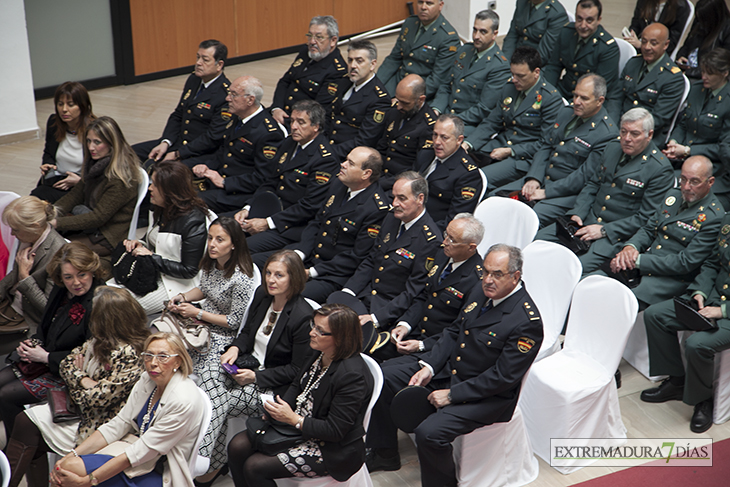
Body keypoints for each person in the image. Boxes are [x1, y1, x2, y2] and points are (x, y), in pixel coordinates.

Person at [366, 245, 543, 487]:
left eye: (497, 274)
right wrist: (429, 367)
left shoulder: (526, 321)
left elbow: (502, 378)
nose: (488, 280)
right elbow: (453, 331)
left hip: (488, 396)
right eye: (485, 272)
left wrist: (452, 395)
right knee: (386, 377)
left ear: (516, 276)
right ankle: (385, 452)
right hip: (451, 371)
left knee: (430, 434)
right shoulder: (482, 292)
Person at [4, 286, 150, 487]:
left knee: (28, 430)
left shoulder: (130, 354)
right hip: (80, 408)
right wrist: (84, 379)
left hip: (101, 423)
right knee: (24, 422)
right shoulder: (99, 339)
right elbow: (66, 364)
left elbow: (95, 401)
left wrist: (78, 381)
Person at [195, 250, 314, 485]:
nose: (271, 279)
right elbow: (248, 331)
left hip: (271, 384)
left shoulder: (302, 316)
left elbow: (297, 370)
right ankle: (211, 462)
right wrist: (235, 348)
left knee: (220, 402)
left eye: (279, 275)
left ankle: (203, 457)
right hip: (245, 363)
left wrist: (256, 377)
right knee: (209, 372)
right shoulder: (263, 294)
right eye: (268, 273)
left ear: (294, 278)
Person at [227, 303, 373, 486]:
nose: (312, 333)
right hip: (298, 425)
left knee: (254, 467)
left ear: (340, 338)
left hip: (330, 447)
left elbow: (335, 431)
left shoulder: (352, 376)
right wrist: (279, 409)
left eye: (320, 331)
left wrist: (293, 419)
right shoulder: (319, 351)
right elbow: (297, 383)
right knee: (236, 446)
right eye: (314, 326)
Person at [50, 333, 207, 487]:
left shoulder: (183, 401)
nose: (153, 363)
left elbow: (142, 451)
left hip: (160, 470)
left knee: (70, 471)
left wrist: (87, 481)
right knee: (65, 467)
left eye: (163, 356)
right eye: (149, 355)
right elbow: (119, 423)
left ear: (178, 362)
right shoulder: (147, 380)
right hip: (135, 453)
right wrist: (71, 455)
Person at [536, 108, 675, 274]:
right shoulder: (612, 148)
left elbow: (645, 218)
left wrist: (603, 230)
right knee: (538, 243)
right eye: (623, 132)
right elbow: (593, 184)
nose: (627, 139)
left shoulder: (659, 169)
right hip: (586, 219)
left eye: (634, 134)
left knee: (571, 269)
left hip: (612, 233)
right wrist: (578, 213)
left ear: (649, 135)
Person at [0, 242, 103, 441]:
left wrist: (46, 357)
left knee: (6, 395)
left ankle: (19, 447)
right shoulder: (61, 289)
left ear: (92, 271)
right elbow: (45, 325)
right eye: (68, 277)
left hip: (68, 370)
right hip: (45, 356)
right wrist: (33, 343)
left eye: (82, 274)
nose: (76, 282)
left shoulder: (98, 302)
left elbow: (91, 355)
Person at [640, 210, 730, 434]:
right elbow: (712, 262)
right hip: (712, 295)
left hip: (726, 311)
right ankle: (677, 381)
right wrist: (700, 290)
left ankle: (703, 401)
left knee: (697, 344)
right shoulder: (728, 218)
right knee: (656, 315)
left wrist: (722, 311)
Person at [492, 74, 619, 227]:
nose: (576, 102)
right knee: (493, 200)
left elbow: (583, 176)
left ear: (600, 101)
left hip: (565, 193)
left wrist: (546, 192)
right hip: (542, 178)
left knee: (525, 219)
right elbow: (546, 145)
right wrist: (534, 178)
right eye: (575, 95)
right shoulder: (566, 112)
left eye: (584, 98)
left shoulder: (606, 133)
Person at [603, 156, 723, 309]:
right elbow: (648, 229)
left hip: (670, 280)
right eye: (683, 179)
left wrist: (638, 261)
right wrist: (631, 248)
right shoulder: (673, 196)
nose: (686, 187)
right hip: (643, 265)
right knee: (595, 281)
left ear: (710, 182)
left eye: (694, 182)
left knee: (618, 304)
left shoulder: (713, 216)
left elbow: (684, 262)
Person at [335, 172, 442, 337]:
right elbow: (372, 260)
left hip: (386, 311)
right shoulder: (392, 218)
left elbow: (412, 292)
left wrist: (376, 318)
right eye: (393, 197)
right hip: (364, 297)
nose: (394, 203)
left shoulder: (430, 240)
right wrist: (349, 291)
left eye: (402, 198)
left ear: (420, 199)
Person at [276, 146, 389, 302]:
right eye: (345, 160)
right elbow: (317, 222)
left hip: (332, 274)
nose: (343, 164)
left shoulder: (376, 208)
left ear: (366, 174)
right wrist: (300, 253)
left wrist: (312, 271)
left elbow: (356, 257)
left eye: (350, 163)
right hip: (310, 258)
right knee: (269, 270)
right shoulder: (339, 184)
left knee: (289, 295)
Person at [235, 100, 339, 255]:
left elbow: (309, 206)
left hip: (290, 226)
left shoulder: (325, 159)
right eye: (292, 121)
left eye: (301, 122)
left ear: (316, 126)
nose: (294, 126)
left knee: (240, 248)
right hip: (268, 212)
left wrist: (268, 223)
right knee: (224, 229)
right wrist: (249, 208)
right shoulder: (289, 143)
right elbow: (271, 181)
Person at [376, 214, 484, 361]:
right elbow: (424, 297)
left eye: (452, 240)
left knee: (385, 372)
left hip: (434, 348)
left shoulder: (477, 280)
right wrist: (405, 325)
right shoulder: (442, 254)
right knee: (370, 347)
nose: (445, 241)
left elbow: (458, 329)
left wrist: (422, 345)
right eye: (446, 234)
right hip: (415, 331)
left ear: (471, 247)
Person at [166, 217, 255, 375]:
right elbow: (204, 289)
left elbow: (233, 322)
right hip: (201, 322)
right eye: (210, 238)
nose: (212, 244)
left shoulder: (241, 279)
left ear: (234, 244)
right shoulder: (213, 262)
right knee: (160, 336)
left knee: (176, 359)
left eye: (220, 240)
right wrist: (183, 297)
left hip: (220, 334)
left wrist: (197, 313)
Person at [465, 46, 563, 190]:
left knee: (477, 179)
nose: (514, 79)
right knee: (461, 165)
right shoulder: (509, 87)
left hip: (522, 158)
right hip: (498, 145)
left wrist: (511, 151)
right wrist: (469, 143)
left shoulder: (550, 99)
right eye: (512, 74)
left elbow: (545, 143)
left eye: (521, 76)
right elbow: (492, 122)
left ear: (536, 72)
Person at [120, 161, 209, 314]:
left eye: (155, 184)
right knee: (108, 295)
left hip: (177, 284)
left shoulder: (194, 221)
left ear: (169, 190)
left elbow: (189, 270)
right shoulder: (160, 208)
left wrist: (152, 257)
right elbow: (154, 240)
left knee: (122, 308)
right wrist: (139, 243)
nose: (150, 188)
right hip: (152, 272)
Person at [190, 75, 285, 214]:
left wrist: (224, 182)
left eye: (233, 94)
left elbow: (263, 177)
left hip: (237, 194)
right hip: (219, 181)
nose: (228, 98)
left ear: (250, 100)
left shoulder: (268, 133)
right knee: (174, 182)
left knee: (189, 202)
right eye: (229, 93)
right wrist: (207, 166)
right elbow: (223, 151)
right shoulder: (238, 116)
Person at [53, 116, 142, 261]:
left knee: (58, 251)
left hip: (108, 235)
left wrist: (56, 223)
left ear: (112, 144)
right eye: (88, 141)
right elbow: (75, 195)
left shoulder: (120, 177)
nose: (90, 147)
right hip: (93, 226)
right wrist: (51, 212)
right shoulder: (95, 164)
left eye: (97, 142)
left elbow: (98, 218)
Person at [132, 40, 231, 165]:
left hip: (199, 152)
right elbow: (178, 114)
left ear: (219, 65)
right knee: (130, 153)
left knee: (165, 170)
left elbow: (212, 138)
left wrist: (178, 154)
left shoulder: (225, 95)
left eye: (205, 60)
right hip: (177, 143)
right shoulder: (194, 79)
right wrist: (165, 142)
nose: (198, 63)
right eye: (198, 57)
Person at [664, 48, 730, 209]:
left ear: (725, 73)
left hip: (711, 166)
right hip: (678, 158)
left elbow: (723, 148)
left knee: (667, 189)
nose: (703, 77)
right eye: (703, 71)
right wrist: (674, 142)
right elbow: (684, 123)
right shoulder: (697, 89)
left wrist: (688, 150)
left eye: (710, 73)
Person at [431, 9, 511, 137]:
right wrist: (436, 109)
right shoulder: (465, 50)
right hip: (445, 114)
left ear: (494, 34)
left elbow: (483, 109)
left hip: (468, 124)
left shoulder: (499, 66)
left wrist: (451, 121)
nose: (476, 36)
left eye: (483, 32)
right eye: (475, 30)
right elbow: (446, 85)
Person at [0, 196, 66, 335]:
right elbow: (13, 275)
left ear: (35, 226)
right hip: (10, 303)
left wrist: (24, 277)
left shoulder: (58, 252)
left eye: (16, 229)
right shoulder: (27, 236)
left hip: (30, 320)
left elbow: (47, 306)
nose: (12, 233)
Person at [609, 23, 685, 141]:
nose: (647, 47)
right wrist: (612, 126)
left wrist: (627, 132)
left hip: (643, 135)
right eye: (643, 41)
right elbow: (616, 98)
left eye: (653, 43)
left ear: (666, 45)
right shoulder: (633, 63)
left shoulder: (673, 78)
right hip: (618, 126)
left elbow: (658, 119)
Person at [271, 16, 347, 125]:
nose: (312, 41)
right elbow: (285, 81)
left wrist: (289, 120)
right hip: (280, 112)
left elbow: (319, 110)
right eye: (309, 36)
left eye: (319, 37)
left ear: (333, 40)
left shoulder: (337, 71)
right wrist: (277, 108)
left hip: (299, 124)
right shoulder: (305, 52)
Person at [376, 0, 460, 100]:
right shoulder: (410, 23)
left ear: (440, 6)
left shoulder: (447, 37)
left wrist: (405, 98)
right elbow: (394, 59)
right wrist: (375, 83)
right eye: (420, 2)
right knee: (368, 100)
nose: (423, 7)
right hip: (398, 82)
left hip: (419, 92)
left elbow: (437, 79)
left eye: (429, 3)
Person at [31, 81, 96, 203]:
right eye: (60, 104)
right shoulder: (53, 122)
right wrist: (48, 164)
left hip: (81, 187)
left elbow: (103, 169)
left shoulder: (95, 130)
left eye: (70, 105)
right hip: (56, 181)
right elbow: (48, 152)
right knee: (31, 204)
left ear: (82, 106)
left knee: (37, 202)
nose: (64, 110)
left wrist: (80, 180)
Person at [543, 0, 621, 101]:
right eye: (579, 19)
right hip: (563, 90)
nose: (583, 26)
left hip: (587, 99)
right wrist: (548, 93)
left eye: (589, 21)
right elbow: (553, 66)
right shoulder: (567, 33)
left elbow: (599, 89)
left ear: (598, 20)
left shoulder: (608, 48)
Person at [415, 115, 482, 231]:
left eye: (444, 137)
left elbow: (454, 221)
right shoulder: (426, 153)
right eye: (435, 135)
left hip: (431, 230)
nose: (436, 142)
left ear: (459, 140)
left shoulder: (468, 175)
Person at [327, 40, 390, 161]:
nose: (353, 66)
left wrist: (329, 152)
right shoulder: (345, 82)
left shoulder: (379, 99)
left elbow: (364, 140)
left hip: (348, 158)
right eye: (350, 60)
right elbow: (328, 116)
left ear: (372, 64)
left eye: (359, 61)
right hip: (329, 147)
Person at [375, 75, 437, 191]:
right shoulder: (395, 112)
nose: (399, 106)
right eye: (398, 100)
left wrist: (380, 184)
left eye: (405, 103)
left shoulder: (429, 126)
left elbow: (416, 171)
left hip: (399, 186)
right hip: (379, 176)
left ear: (421, 100)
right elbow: (382, 147)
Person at [501, 0, 570, 64]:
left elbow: (544, 54)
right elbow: (512, 35)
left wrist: (520, 68)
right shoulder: (522, 2)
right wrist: (505, 62)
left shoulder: (557, 13)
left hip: (536, 65)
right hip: (516, 57)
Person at [675, 0, 730, 79]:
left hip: (703, 78)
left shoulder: (726, 31)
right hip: (686, 70)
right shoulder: (700, 21)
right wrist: (680, 59)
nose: (700, 23)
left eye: (703, 19)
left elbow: (717, 65)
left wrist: (688, 72)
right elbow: (686, 45)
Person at [625, 0, 691, 56]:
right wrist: (631, 36)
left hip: (656, 52)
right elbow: (635, 24)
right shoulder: (644, 1)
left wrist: (642, 45)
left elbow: (672, 42)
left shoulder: (681, 7)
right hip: (639, 43)